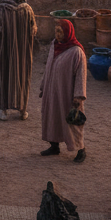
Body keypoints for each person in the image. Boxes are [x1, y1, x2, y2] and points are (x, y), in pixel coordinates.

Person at [39, 19, 87, 163]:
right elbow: (48, 67)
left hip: (67, 93)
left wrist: (78, 96)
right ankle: (54, 146)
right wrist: (43, 86)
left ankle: (81, 149)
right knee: (51, 117)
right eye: (56, 31)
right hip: (52, 90)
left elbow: (81, 75)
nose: (57, 34)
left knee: (72, 122)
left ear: (68, 32)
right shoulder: (54, 45)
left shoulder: (76, 51)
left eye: (60, 31)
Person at [0, 0, 37, 120]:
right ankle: (22, 110)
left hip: (4, 52)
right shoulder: (28, 10)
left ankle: (2, 110)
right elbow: (33, 30)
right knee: (22, 77)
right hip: (23, 53)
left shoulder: (1, 9)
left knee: (3, 75)